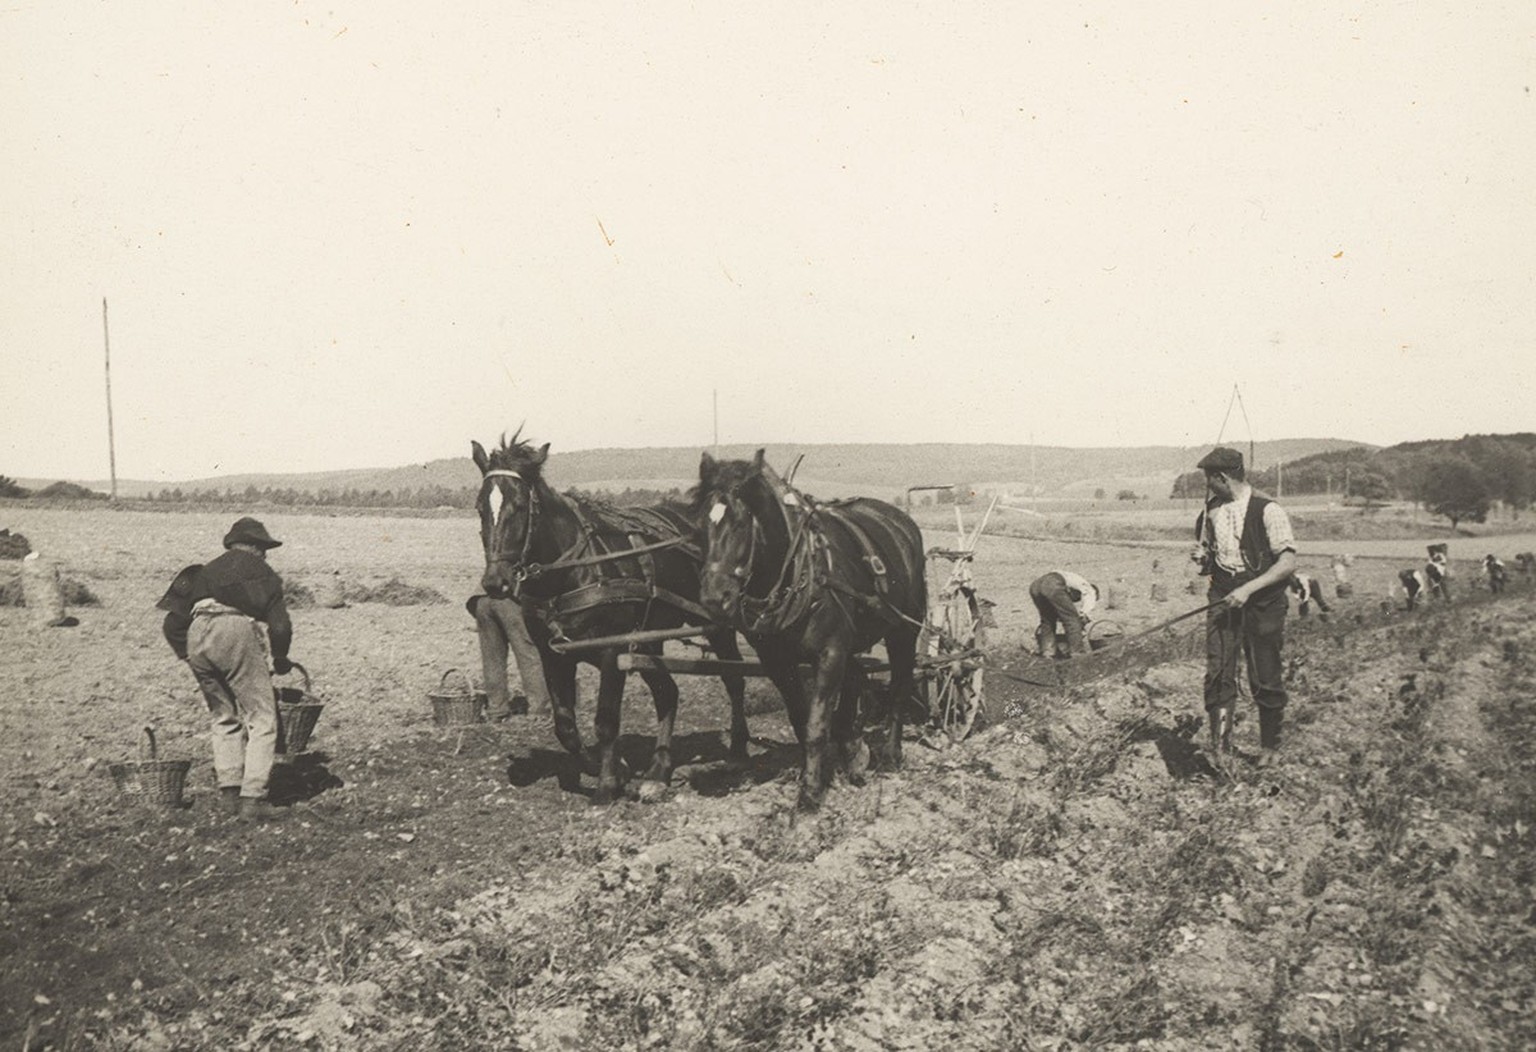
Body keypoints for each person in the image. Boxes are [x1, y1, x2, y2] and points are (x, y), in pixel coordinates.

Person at [158, 517, 294, 821]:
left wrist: (189, 656)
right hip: (232, 628)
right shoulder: (265, 574)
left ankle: (230, 793)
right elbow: (280, 625)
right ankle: (253, 800)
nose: (266, 555)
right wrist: (281, 658)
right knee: (261, 717)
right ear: (257, 548)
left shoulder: (202, 572)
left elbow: (171, 623)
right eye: (265, 549)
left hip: (196, 634)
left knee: (223, 716)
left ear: (232, 544)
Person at [1189, 447, 1297, 762]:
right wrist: (1203, 559)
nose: (1207, 485)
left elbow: (1287, 563)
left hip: (1263, 600)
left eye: (1208, 479)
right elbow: (1212, 560)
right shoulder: (1211, 511)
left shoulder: (1268, 509)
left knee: (1264, 672)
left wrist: (1248, 589)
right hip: (1223, 597)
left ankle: (1269, 747)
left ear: (1221, 478)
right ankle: (1220, 747)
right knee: (1219, 669)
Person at [466, 593, 552, 719]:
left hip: (482, 602)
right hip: (508, 602)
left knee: (492, 660)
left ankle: (496, 710)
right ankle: (539, 710)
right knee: (529, 656)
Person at [1029, 570, 1098, 658]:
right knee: (1072, 620)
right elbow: (1088, 604)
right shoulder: (1089, 588)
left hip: (1035, 586)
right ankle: (1078, 653)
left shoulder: (1071, 583)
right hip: (1052, 583)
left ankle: (1048, 652)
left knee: (1048, 620)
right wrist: (1083, 616)